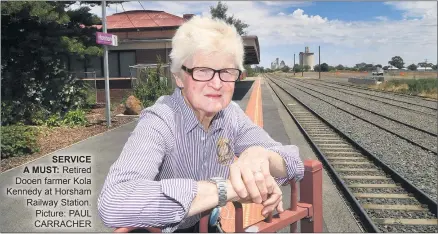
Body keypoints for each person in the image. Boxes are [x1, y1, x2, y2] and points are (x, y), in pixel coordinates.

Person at [97, 16, 304, 233]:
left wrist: (261, 155)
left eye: (226, 72)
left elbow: (293, 162)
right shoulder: (160, 120)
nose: (216, 84)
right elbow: (114, 201)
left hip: (207, 225)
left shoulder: (230, 115)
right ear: (179, 77)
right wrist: (226, 189)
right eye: (202, 71)